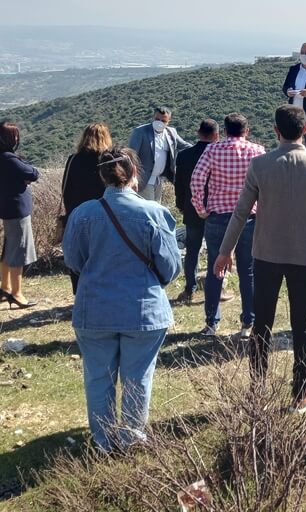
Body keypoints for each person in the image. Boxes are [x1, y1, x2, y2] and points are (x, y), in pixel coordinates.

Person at [215, 105, 306, 413]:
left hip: (266, 256)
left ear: (276, 131)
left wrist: (225, 252)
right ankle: (300, 394)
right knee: (302, 326)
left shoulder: (260, 165)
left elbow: (240, 213)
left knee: (262, 325)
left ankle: (257, 391)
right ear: (305, 130)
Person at [63, 147, 181, 453]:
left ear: (102, 177)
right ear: (134, 174)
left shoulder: (82, 214)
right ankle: (131, 439)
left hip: (95, 309)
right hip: (143, 309)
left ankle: (103, 442)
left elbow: (74, 261)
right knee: (137, 377)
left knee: (98, 378)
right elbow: (170, 267)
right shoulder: (154, 213)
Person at [191, 113, 265, 337]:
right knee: (248, 270)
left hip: (218, 216)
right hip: (249, 217)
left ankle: (212, 323)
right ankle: (247, 324)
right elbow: (267, 183)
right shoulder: (257, 151)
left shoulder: (212, 150)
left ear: (224, 131)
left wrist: (201, 209)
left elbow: (197, 180)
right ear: (247, 131)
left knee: (216, 268)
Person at [0, 120, 40, 309]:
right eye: (14, 136)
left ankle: (5, 287)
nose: (17, 138)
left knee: (8, 248)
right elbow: (33, 173)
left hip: (6, 204)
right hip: (17, 207)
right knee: (18, 250)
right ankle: (17, 294)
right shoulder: (9, 158)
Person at [61, 122, 114, 295]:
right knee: (101, 256)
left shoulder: (73, 159)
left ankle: (80, 294)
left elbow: (65, 189)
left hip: (76, 215)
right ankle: (100, 293)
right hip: (103, 215)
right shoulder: (108, 161)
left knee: (78, 258)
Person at [173, 118, 219, 305]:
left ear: (198, 133)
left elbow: (179, 185)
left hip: (192, 208)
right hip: (216, 209)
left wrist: (182, 205)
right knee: (215, 251)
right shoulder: (219, 154)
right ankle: (216, 288)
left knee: (192, 249)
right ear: (216, 135)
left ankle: (190, 288)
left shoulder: (184, 156)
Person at [128, 107, 192, 201]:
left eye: (163, 120)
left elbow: (184, 145)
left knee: (157, 206)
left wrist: (202, 147)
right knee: (149, 209)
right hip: (144, 180)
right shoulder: (140, 132)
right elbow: (131, 155)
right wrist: (132, 178)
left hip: (159, 180)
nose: (159, 122)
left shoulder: (171, 132)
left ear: (169, 121)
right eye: (157, 119)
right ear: (153, 117)